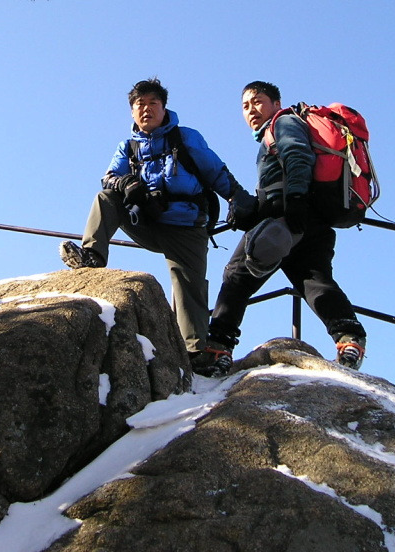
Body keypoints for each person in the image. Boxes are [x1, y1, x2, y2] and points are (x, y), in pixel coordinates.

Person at [59, 78, 254, 374]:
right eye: (140, 104)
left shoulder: (186, 138)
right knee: (106, 198)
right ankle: (92, 257)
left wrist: (236, 197)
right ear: (132, 112)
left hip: (185, 225)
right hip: (146, 222)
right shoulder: (128, 147)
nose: (146, 109)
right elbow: (108, 178)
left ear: (164, 108)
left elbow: (215, 171)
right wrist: (125, 182)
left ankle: (195, 354)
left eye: (153, 103)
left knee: (189, 287)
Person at [202, 80, 367, 376]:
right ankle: (349, 337)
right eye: (245, 106)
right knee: (313, 279)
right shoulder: (277, 127)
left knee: (237, 276)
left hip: (286, 219)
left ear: (276, 104)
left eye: (258, 101)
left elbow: (297, 155)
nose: (251, 109)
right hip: (309, 220)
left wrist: (294, 201)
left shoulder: (284, 122)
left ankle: (218, 349)